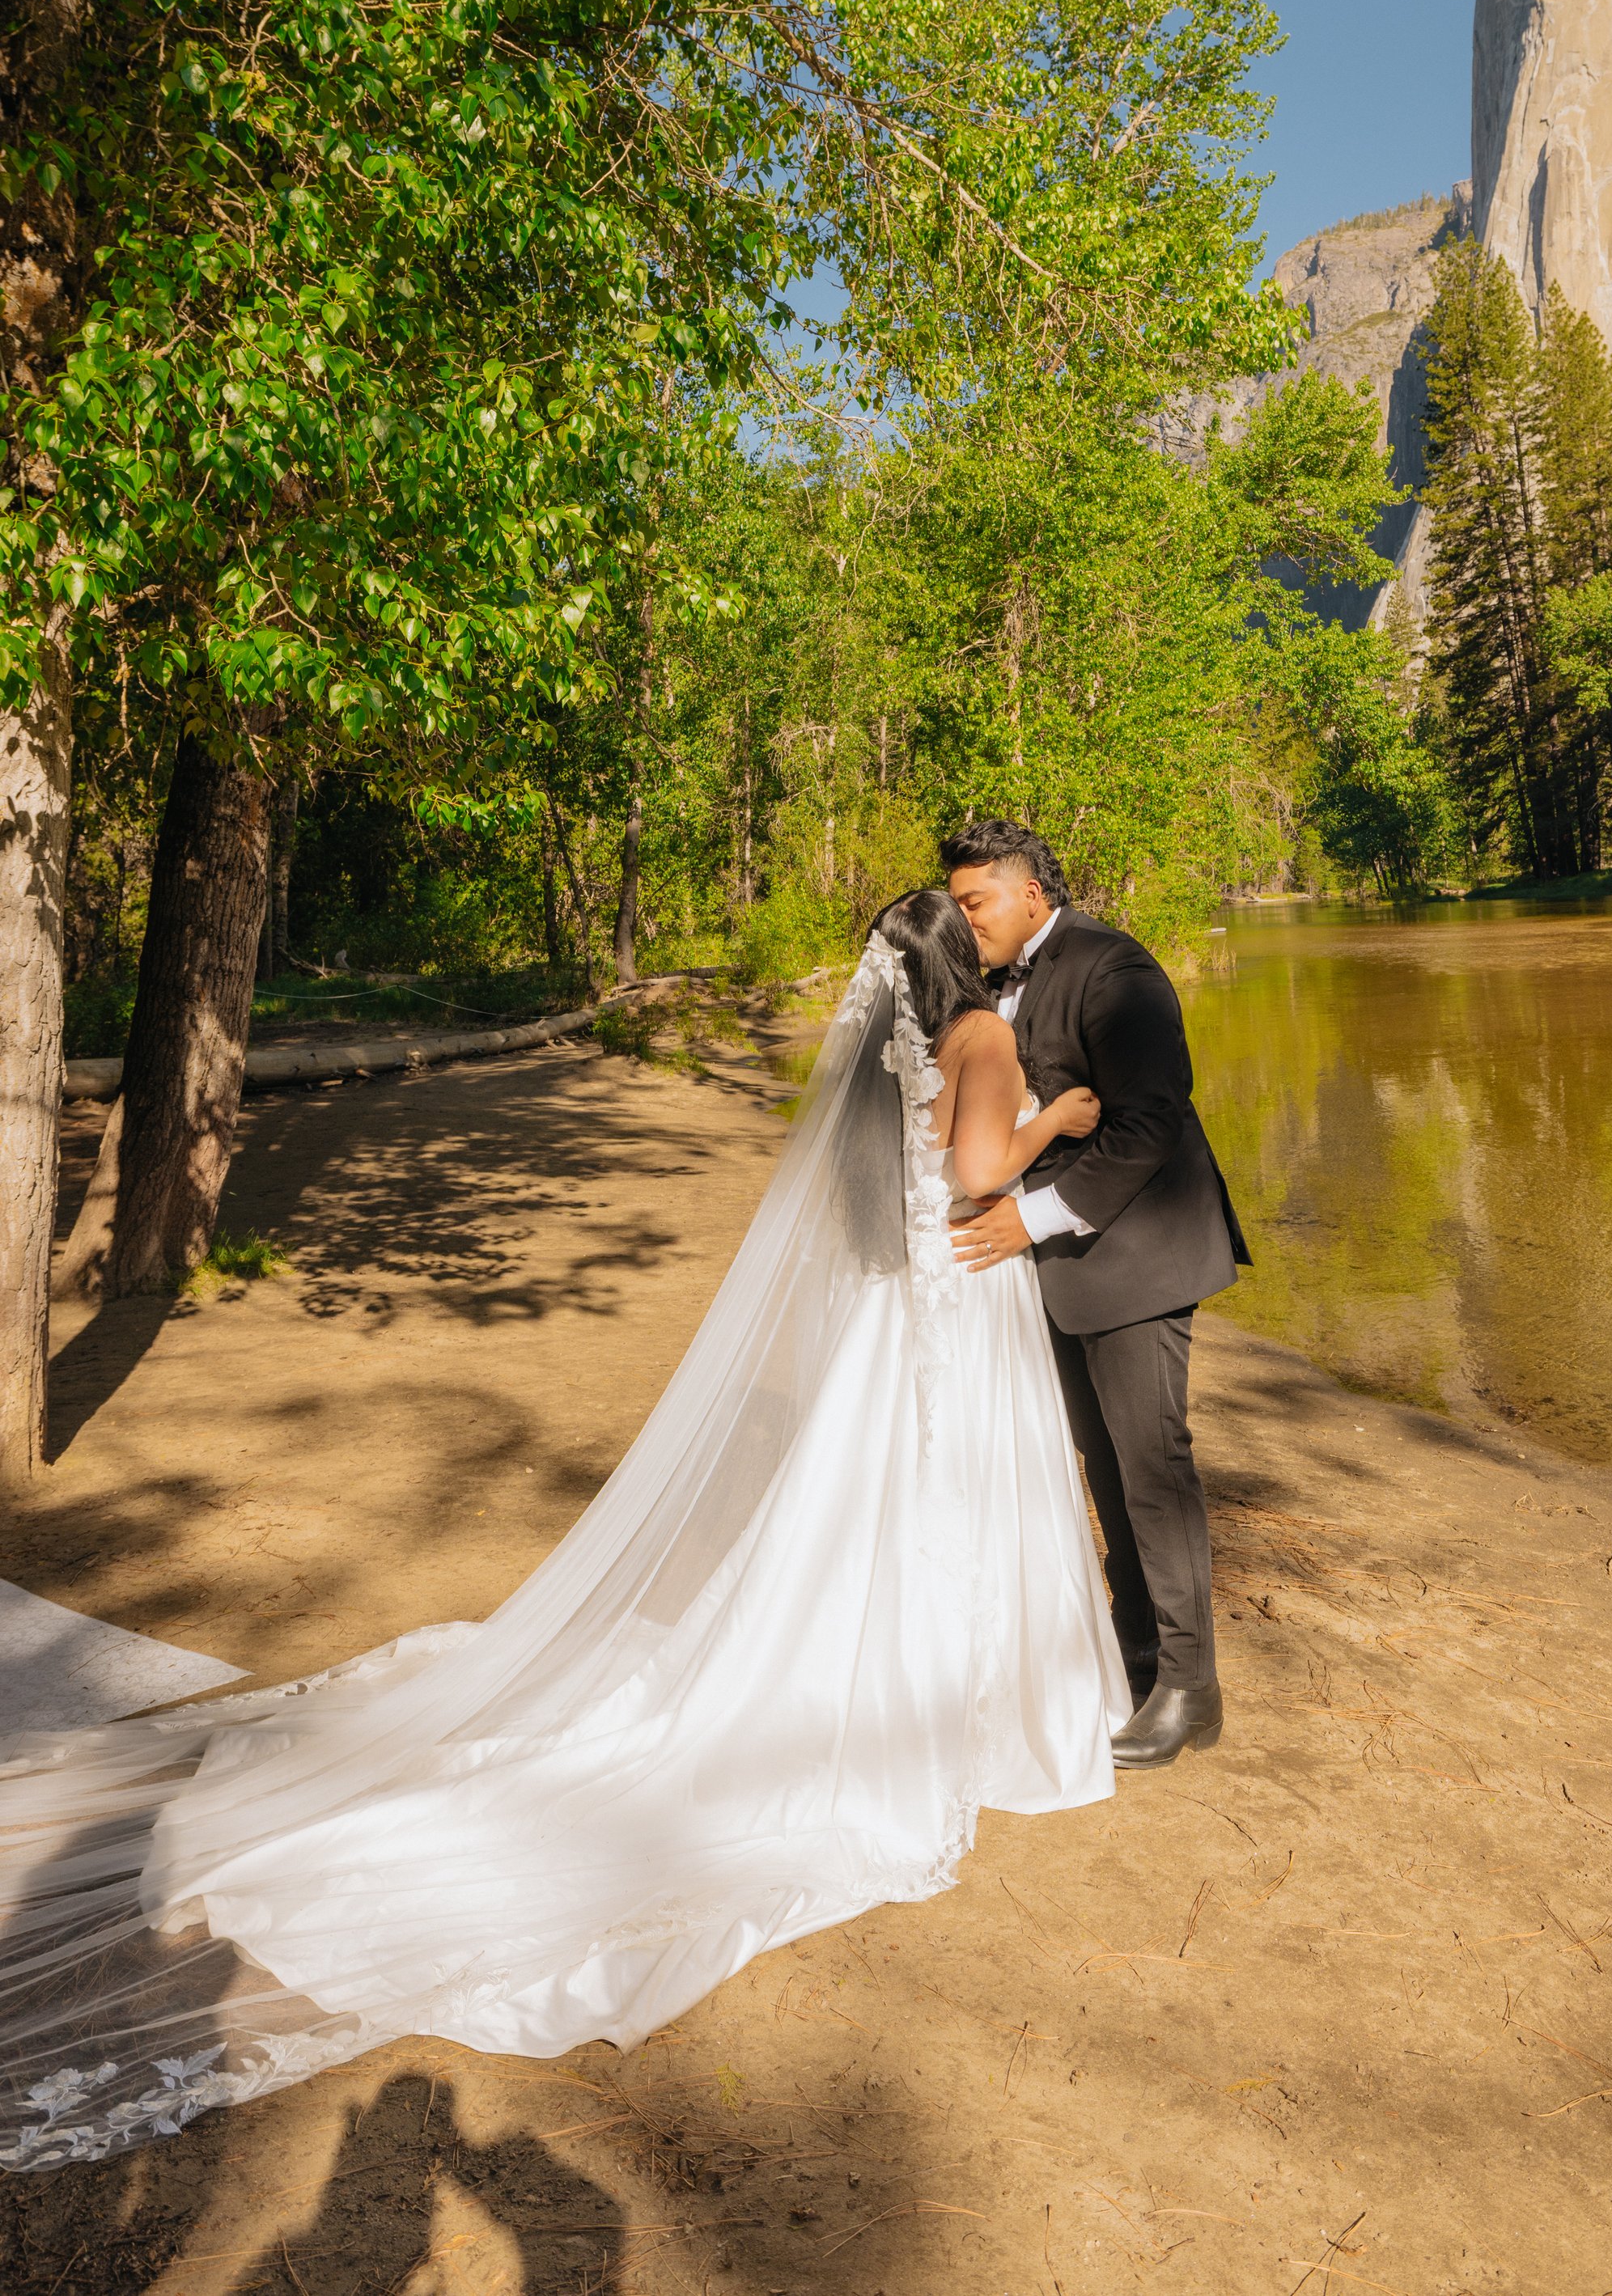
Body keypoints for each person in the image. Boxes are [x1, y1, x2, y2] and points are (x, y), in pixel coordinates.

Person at [0, 895, 1126, 2172]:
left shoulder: (889, 1045)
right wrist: (1064, 1118)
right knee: (946, 1497)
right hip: (958, 1304)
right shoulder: (978, 1033)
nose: (990, 934)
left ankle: (899, 1682)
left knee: (874, 1510)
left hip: (895, 1308)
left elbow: (886, 1182)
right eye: (974, 922)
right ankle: (956, 1708)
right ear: (957, 955)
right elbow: (981, 1175)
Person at [943, 821, 1249, 1770]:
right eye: (953, 905)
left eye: (974, 901)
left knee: (1152, 1466)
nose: (964, 920)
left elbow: (1150, 1121)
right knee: (1103, 1466)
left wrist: (1029, 1220)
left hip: (1140, 1253)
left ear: (1030, 892)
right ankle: (1139, 1648)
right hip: (1065, 1270)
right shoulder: (990, 987)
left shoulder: (1116, 970)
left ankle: (1193, 1691)